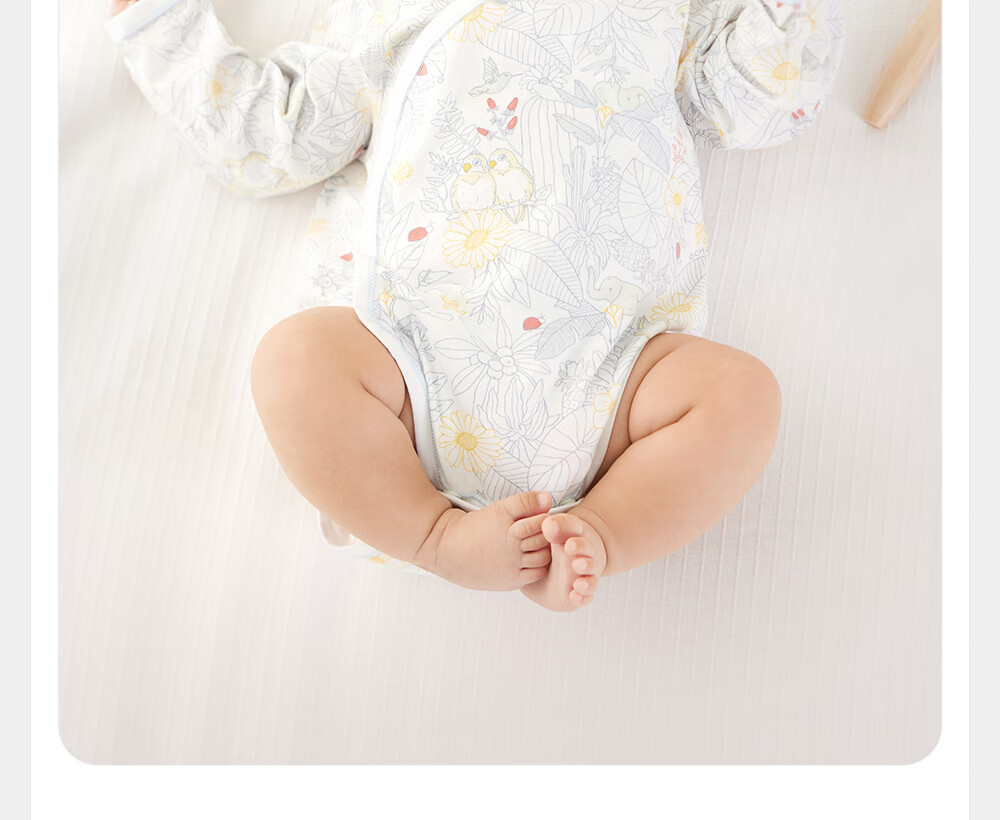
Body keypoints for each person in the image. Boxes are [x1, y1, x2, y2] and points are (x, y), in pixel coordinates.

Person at [108, 0, 844, 611]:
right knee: (296, 361)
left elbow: (758, 103)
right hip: (411, 362)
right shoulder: (389, 18)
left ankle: (600, 531)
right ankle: (433, 534)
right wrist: (156, 22)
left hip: (616, 371)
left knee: (741, 395)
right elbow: (271, 134)